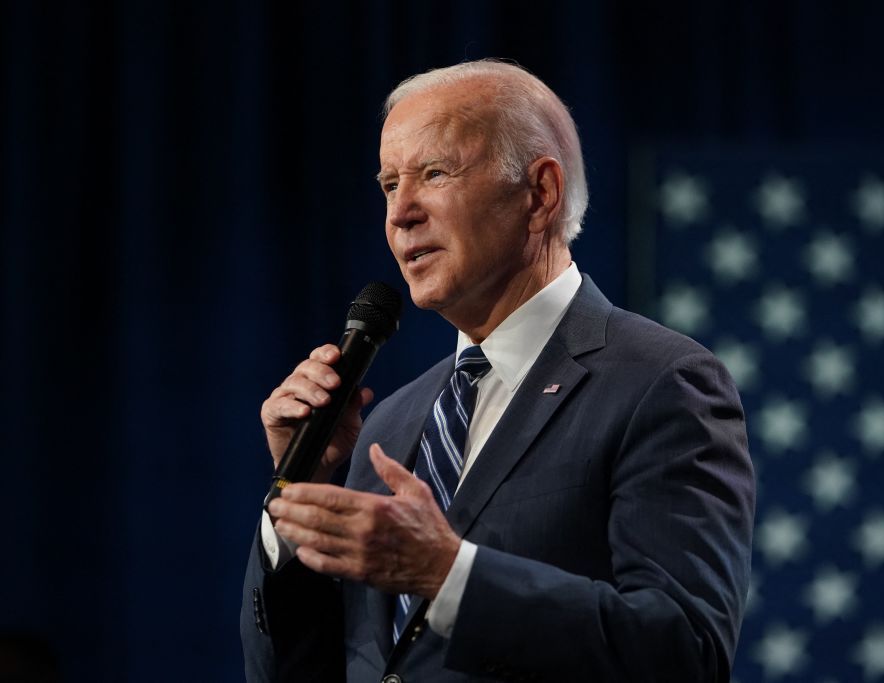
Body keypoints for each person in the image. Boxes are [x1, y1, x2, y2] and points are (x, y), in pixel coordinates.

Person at [241, 59, 755, 682]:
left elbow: (684, 653)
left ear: (540, 194)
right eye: (388, 184)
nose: (400, 213)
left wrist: (448, 574)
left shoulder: (661, 383)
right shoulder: (390, 423)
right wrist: (297, 492)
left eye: (434, 173)